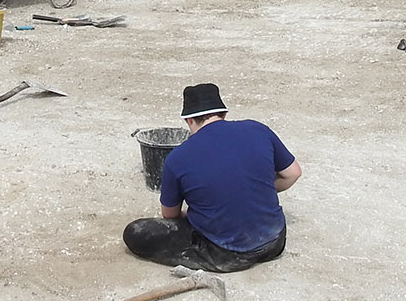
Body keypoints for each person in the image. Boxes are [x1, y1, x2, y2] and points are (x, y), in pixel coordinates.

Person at [123, 84, 300, 273]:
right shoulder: (258, 129)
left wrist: (196, 212)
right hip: (274, 242)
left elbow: (170, 215)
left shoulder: (178, 157)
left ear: (189, 120)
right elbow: (293, 173)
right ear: (223, 114)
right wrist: (257, 189)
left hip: (226, 252)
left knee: (135, 232)